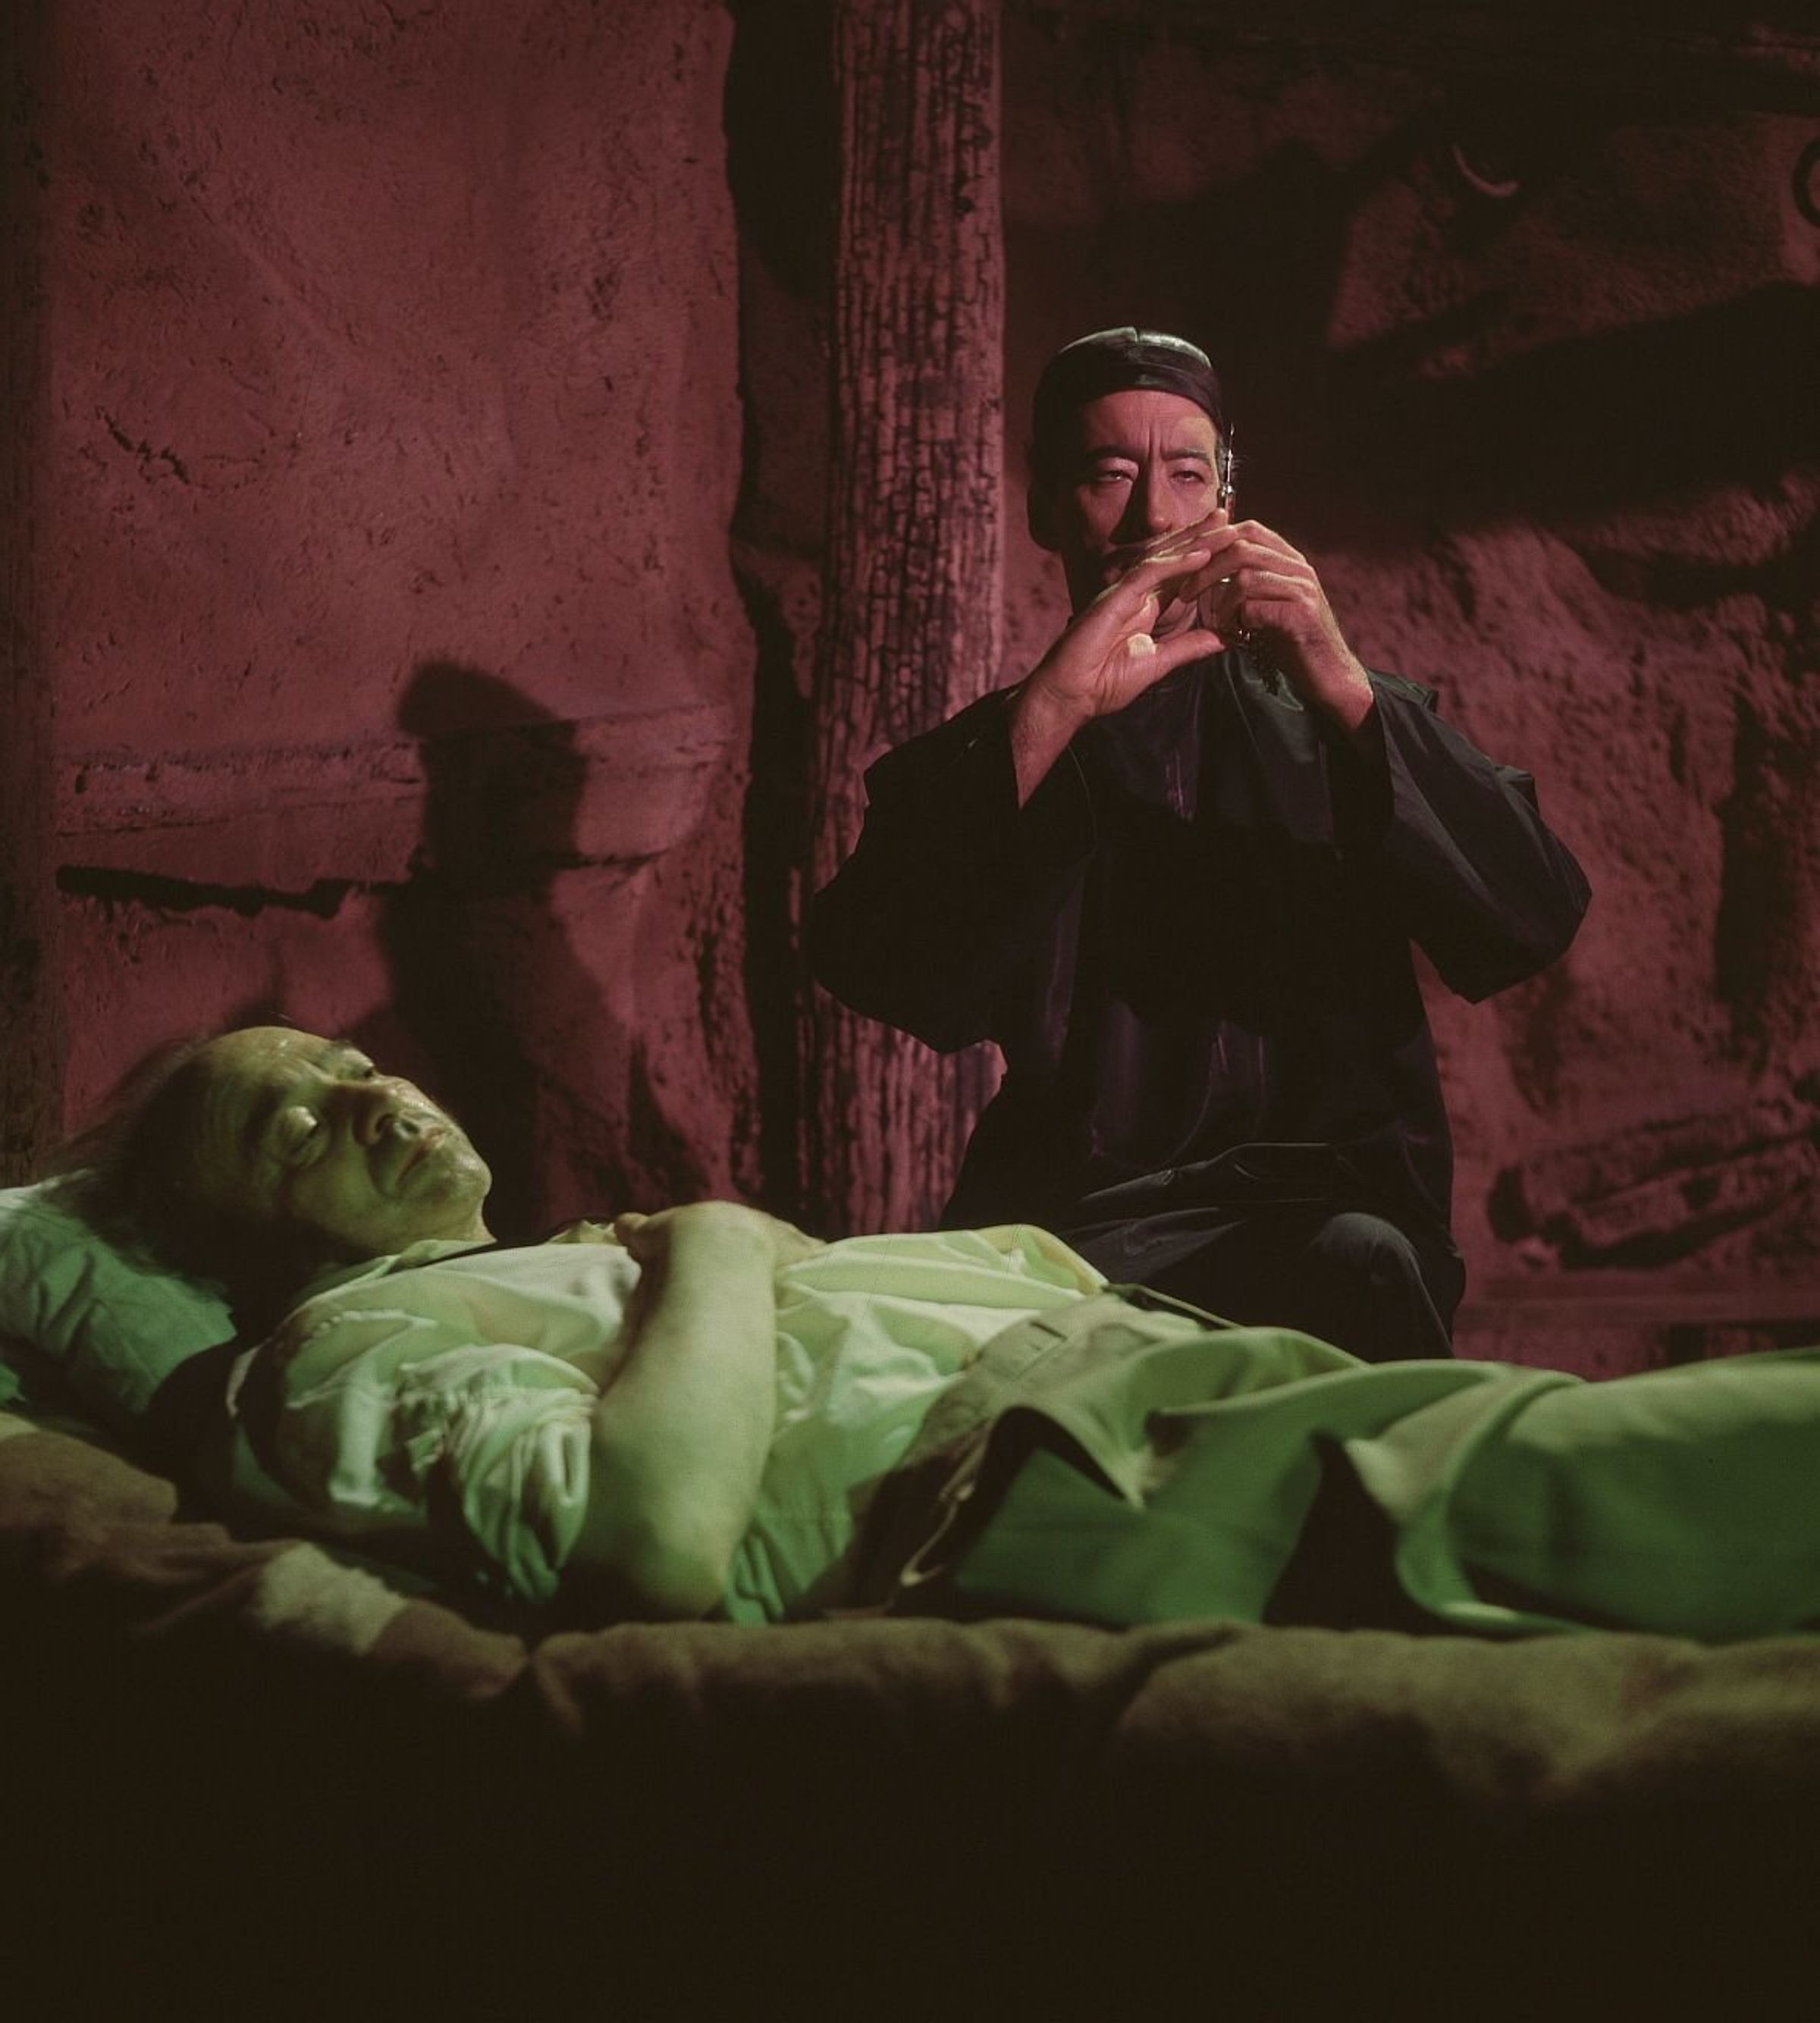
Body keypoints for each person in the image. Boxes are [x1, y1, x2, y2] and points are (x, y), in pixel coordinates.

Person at [50, 1024, 1820, 1645]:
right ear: (245, 1244)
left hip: (1117, 1394)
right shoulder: (337, 1355)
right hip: (1032, 1470)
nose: (370, 1098)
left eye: (352, 1064)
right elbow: (649, 1540)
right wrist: (721, 1238)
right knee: (1621, 1474)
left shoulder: (527, 1270)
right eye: (291, 1124)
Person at [809, 327, 1592, 1363]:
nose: (1153, 517)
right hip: (1071, 1228)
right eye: (1109, 475)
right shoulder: (1005, 747)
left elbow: (1533, 915)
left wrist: (1343, 683)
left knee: (1359, 1271)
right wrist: (1050, 713)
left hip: (1325, 1212)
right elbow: (882, 968)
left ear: (1227, 497)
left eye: (1186, 474)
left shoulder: (1344, 720)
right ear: (1045, 507)